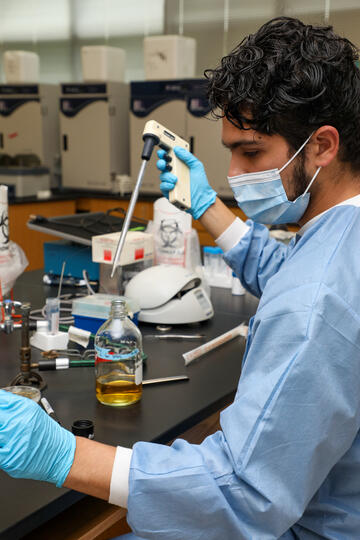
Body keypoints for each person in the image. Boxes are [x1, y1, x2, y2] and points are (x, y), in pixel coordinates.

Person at [1, 16, 360, 539]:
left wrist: (59, 452)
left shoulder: (316, 302)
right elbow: (290, 274)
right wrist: (206, 206)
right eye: (230, 152)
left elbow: (240, 494)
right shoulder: (341, 236)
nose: (235, 174)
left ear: (323, 146)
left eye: (251, 152)